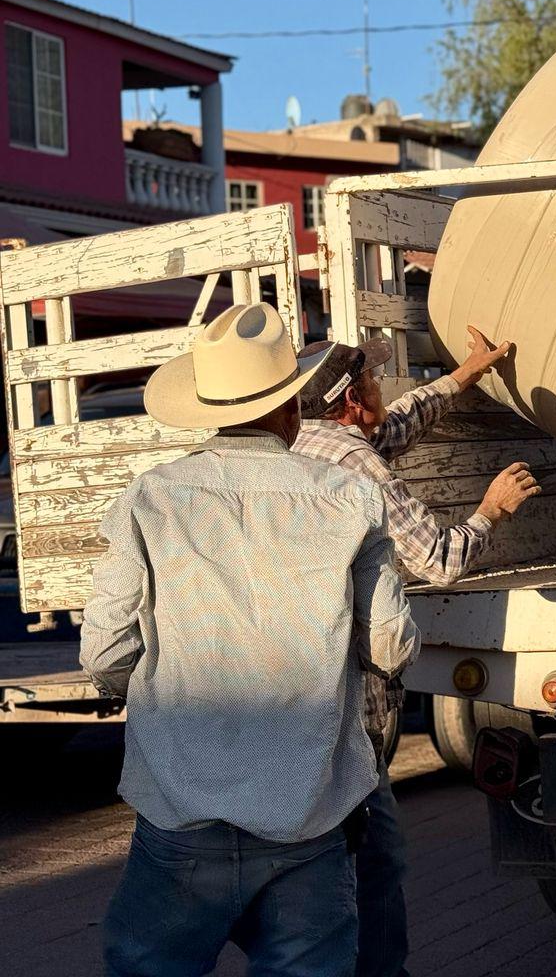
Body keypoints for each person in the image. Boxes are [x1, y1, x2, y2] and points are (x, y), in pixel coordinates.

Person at [81, 302, 418, 977]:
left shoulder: (151, 498)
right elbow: (390, 642)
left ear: (209, 409)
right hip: (309, 814)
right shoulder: (347, 498)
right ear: (292, 405)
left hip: (181, 814)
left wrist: (143, 691)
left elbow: (104, 653)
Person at [292, 325, 540, 977]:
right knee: (373, 858)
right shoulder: (358, 466)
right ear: (350, 400)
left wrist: (465, 376)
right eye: (373, 379)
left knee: (338, 855)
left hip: (298, 690)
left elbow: (395, 424)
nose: (383, 387)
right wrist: (492, 510)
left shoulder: (301, 444)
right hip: (351, 700)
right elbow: (437, 559)